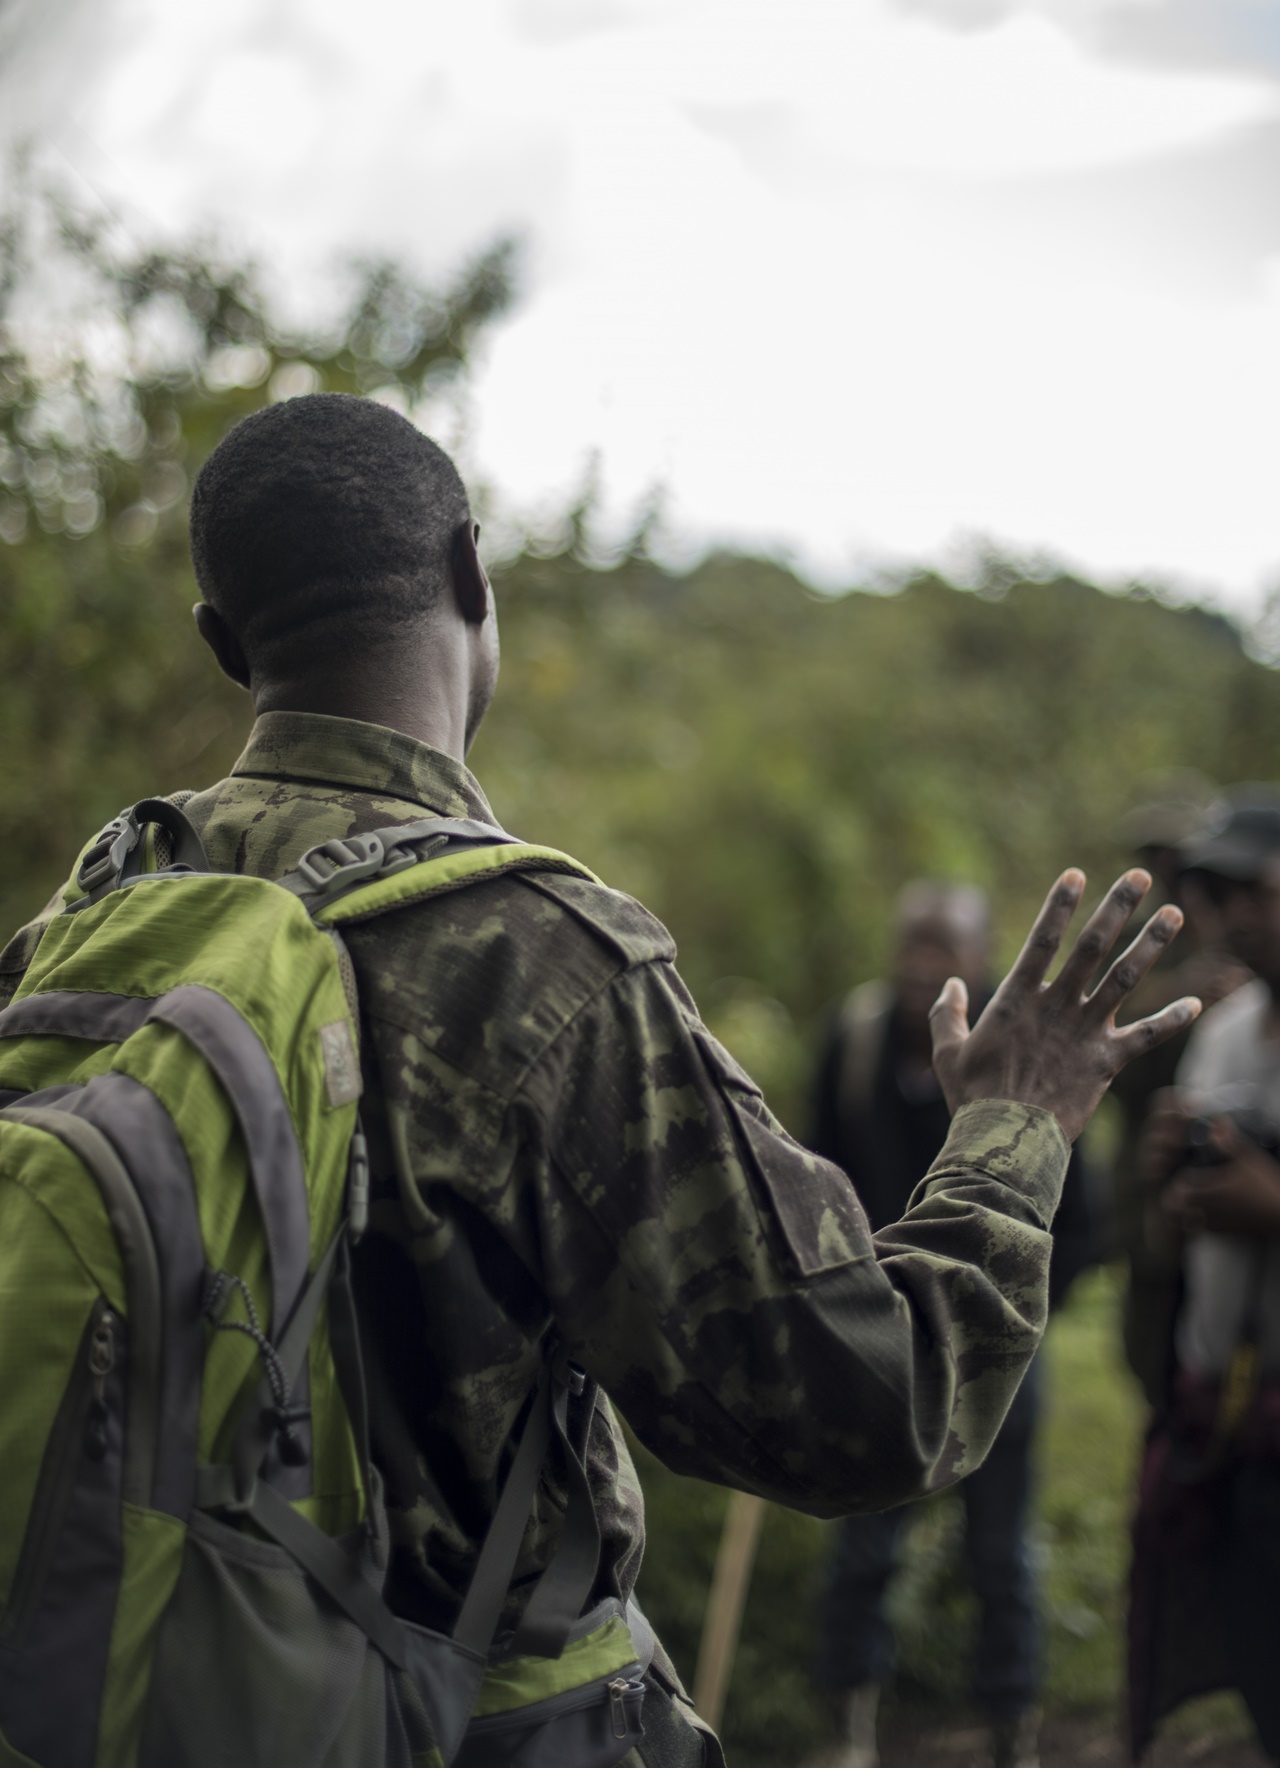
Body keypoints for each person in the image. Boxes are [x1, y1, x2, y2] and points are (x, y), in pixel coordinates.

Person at [0, 394, 1198, 1767]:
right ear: (469, 573)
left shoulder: (85, 919)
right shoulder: (536, 961)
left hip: (139, 1699)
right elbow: (871, 1408)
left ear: (222, 647)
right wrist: (1018, 1122)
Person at [809, 883, 1096, 1768]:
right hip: (877, 1334)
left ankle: (1013, 1732)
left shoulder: (1016, 1059)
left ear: (982, 961)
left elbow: (1079, 1206)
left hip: (1002, 1340)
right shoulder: (853, 1045)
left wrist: (1024, 1306)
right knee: (866, 1541)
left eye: (945, 949)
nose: (924, 967)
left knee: (1001, 1548)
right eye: (913, 946)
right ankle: (850, 1731)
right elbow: (816, 1171)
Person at [1128, 788, 1280, 1765]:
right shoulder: (1225, 1033)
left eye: (1247, 890)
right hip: (1229, 1409)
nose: (1226, 916)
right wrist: (1173, 1183)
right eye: (1211, 893)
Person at [1105, 778, 1249, 1407]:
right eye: (1156, 858)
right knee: (1156, 1361)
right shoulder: (1140, 950)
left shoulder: (1242, 932)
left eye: (1179, 857)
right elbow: (1103, 1068)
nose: (1167, 872)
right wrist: (1170, 1004)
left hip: (1239, 1191)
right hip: (1153, 1198)